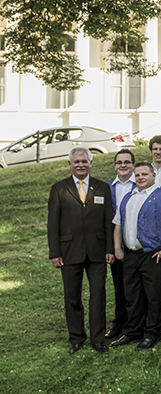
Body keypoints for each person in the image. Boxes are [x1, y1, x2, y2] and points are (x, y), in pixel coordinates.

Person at [47, 148, 114, 354]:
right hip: (69, 252)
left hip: (97, 251)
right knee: (72, 296)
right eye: (76, 162)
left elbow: (108, 222)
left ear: (91, 163)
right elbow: (53, 224)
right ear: (70, 165)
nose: (81, 165)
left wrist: (110, 248)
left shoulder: (102, 188)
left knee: (98, 296)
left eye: (84, 161)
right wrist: (55, 252)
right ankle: (76, 338)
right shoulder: (59, 189)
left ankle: (98, 338)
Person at [111, 162, 161, 350]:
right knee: (132, 295)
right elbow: (118, 224)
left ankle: (152, 333)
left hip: (153, 254)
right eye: (138, 175)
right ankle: (133, 331)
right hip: (131, 256)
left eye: (145, 174)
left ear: (153, 176)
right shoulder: (128, 198)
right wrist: (117, 248)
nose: (141, 177)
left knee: (154, 295)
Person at [106, 150, 136, 339]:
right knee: (119, 286)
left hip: (136, 243)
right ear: (115, 165)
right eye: (119, 162)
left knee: (135, 286)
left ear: (133, 164)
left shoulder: (141, 183)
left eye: (127, 162)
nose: (123, 165)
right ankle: (120, 322)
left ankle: (136, 322)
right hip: (116, 243)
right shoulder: (106, 187)